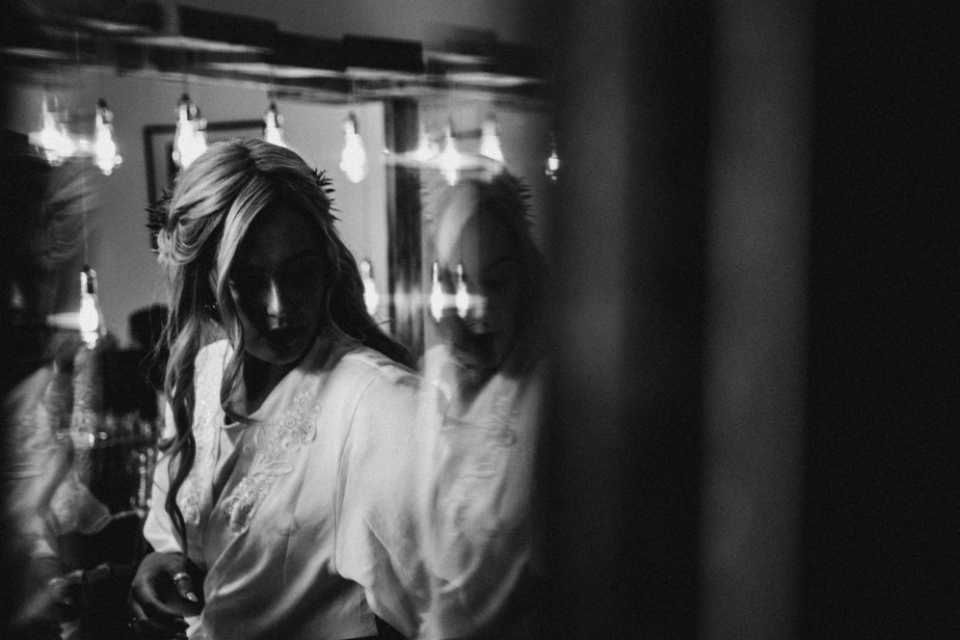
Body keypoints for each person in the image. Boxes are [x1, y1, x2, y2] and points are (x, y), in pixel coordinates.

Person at [130, 139, 434, 640]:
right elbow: (179, 530)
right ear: (205, 285)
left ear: (327, 264)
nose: (279, 307)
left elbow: (453, 608)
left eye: (299, 271)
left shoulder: (379, 404)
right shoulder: (201, 376)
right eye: (247, 281)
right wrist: (164, 560)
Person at [418, 168, 548, 639]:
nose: (478, 307)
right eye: (456, 281)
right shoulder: (434, 374)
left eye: (496, 281)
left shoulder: (546, 392)